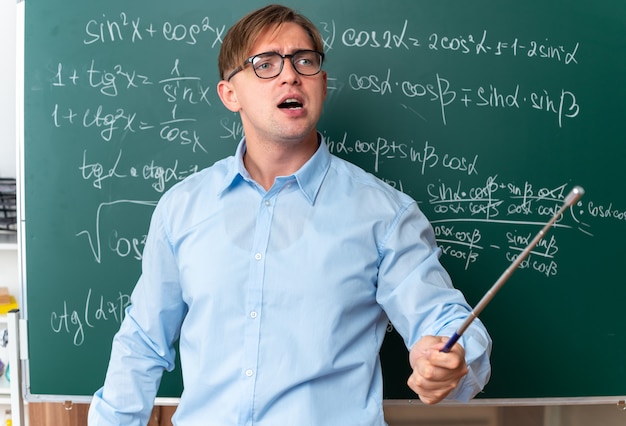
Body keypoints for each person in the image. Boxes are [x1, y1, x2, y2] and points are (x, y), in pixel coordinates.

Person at [88, 4, 492, 425]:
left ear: (322, 82)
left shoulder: (384, 215)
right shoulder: (182, 207)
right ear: (230, 94)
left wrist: (453, 354)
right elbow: (142, 341)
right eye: (265, 64)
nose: (289, 75)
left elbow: (448, 321)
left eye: (305, 61)